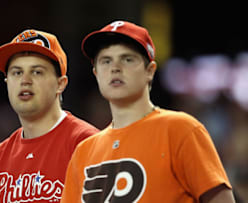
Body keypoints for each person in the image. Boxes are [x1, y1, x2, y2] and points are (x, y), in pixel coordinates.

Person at [61, 20, 235, 203]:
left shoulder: (180, 129)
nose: (115, 68)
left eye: (127, 59)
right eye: (106, 61)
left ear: (150, 71)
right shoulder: (84, 152)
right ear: (96, 73)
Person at [0, 29, 99, 203]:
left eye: (37, 72)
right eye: (17, 72)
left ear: (60, 84)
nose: (25, 80)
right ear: (7, 83)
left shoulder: (86, 143)